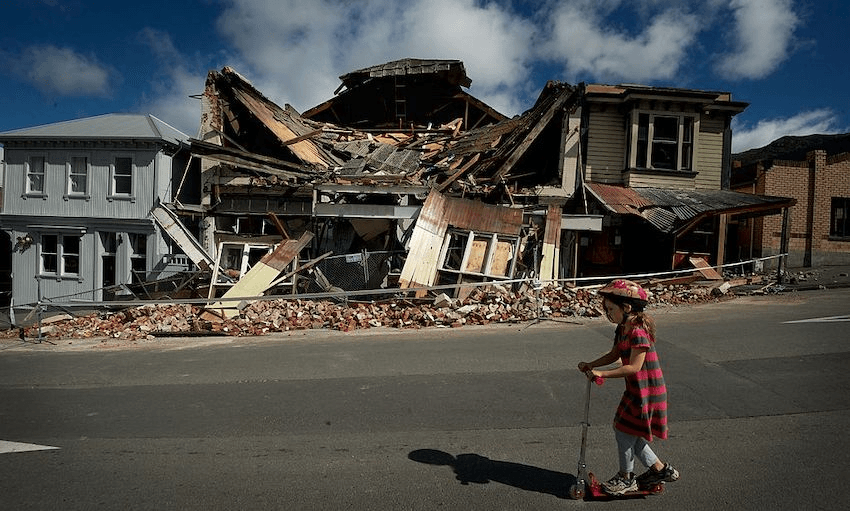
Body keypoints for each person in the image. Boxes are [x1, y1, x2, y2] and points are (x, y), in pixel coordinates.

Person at [577, 279, 679, 496]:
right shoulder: (623, 328)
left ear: (627, 308)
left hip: (648, 391)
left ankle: (626, 478)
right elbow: (615, 354)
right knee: (628, 432)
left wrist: (602, 373)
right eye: (606, 308)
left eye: (610, 308)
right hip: (636, 389)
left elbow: (633, 367)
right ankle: (660, 470)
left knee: (624, 431)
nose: (607, 313)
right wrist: (591, 365)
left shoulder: (638, 331)